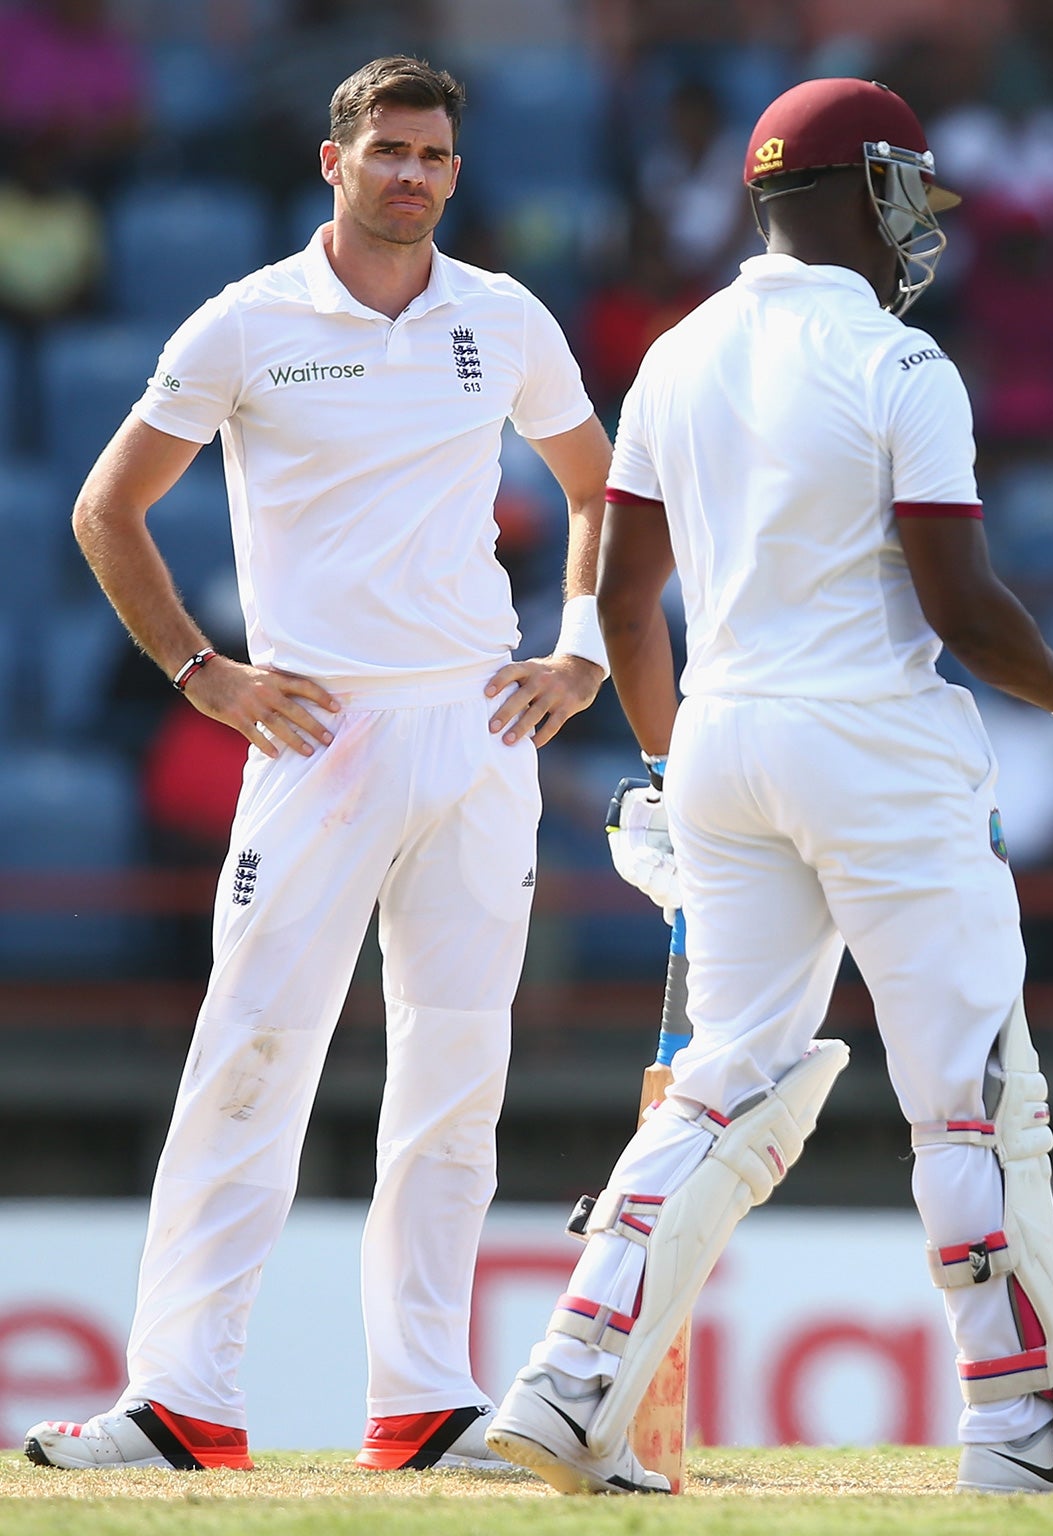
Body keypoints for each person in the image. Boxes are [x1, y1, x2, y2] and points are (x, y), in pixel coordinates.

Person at [484, 77, 1053, 1498]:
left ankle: (565, 1386)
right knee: (971, 1097)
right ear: (863, 196)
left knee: (727, 1078)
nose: (922, 226)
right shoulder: (905, 367)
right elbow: (965, 607)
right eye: (909, 194)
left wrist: (670, 765)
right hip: (878, 749)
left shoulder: (675, 352)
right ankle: (1021, 1430)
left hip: (726, 737)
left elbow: (620, 602)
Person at [25, 55, 614, 1474]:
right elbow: (109, 510)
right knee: (253, 1057)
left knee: (458, 1071)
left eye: (433, 157)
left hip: (478, 731)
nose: (411, 175)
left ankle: (422, 1402)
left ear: (456, 175)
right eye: (388, 151)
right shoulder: (246, 324)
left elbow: (604, 490)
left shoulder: (502, 316)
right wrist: (203, 675)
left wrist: (583, 648)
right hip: (319, 732)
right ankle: (180, 1404)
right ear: (333, 160)